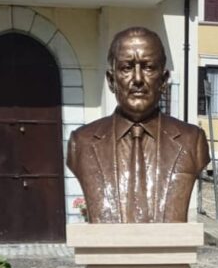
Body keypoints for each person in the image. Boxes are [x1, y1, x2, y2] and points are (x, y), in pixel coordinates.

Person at [66, 27, 210, 223]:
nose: (138, 79)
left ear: (164, 80)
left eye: (148, 67)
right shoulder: (81, 143)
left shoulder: (192, 141)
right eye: (126, 68)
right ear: (111, 80)